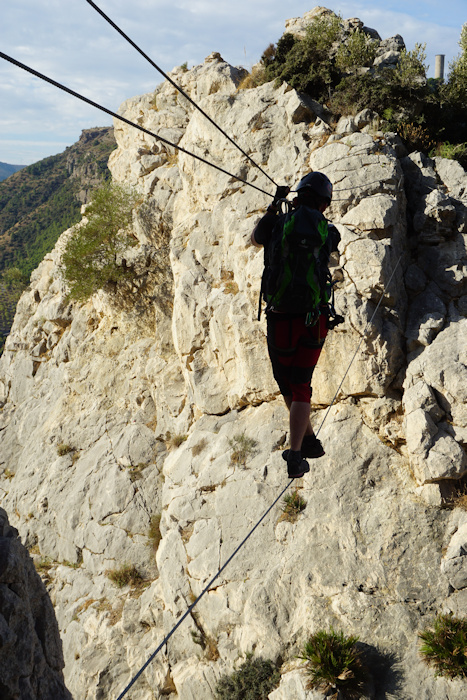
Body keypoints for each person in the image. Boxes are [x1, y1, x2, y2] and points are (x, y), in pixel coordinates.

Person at [251, 172, 340, 478]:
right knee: (301, 384)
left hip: (281, 320)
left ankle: (299, 450)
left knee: (286, 382)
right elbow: (330, 250)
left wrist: (276, 206)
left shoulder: (277, 224)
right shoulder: (329, 232)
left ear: (297, 197)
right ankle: (306, 444)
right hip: (314, 320)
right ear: (324, 204)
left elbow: (255, 239)